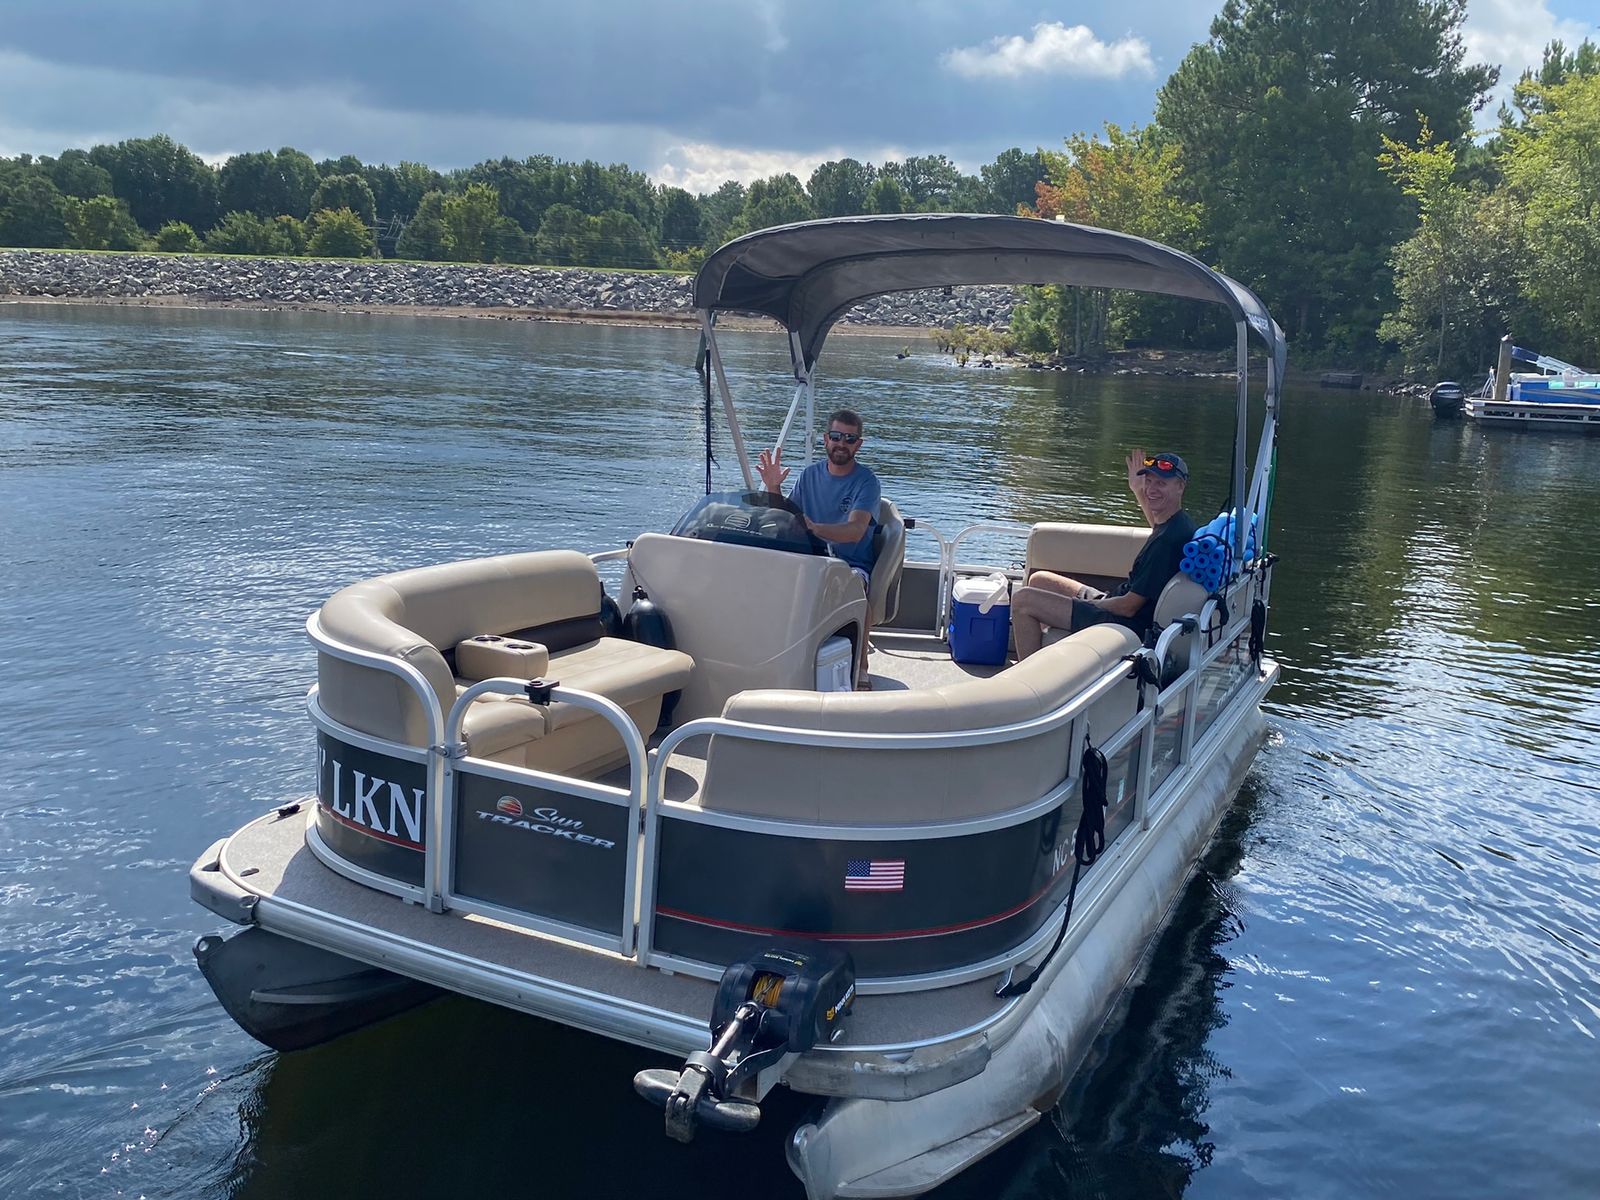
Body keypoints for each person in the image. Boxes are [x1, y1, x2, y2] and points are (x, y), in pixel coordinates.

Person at [1012, 448, 1196, 659]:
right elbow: (1157, 526)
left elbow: (1128, 607)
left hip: (1124, 624)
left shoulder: (1166, 543)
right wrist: (1138, 490)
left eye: (1161, 483)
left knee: (1023, 601)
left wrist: (1089, 605)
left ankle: (1031, 676)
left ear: (1180, 486)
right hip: (1115, 604)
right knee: (1039, 580)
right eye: (1149, 481)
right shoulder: (1176, 524)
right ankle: (1052, 659)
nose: (1151, 489)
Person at [756, 409, 882, 688]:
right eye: (836, 436)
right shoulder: (809, 476)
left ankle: (861, 666)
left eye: (849, 439)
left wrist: (814, 528)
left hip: (850, 564)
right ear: (826, 439)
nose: (841, 443)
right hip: (809, 558)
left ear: (858, 445)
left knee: (855, 586)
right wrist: (773, 489)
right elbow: (787, 521)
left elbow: (855, 531)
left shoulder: (867, 482)